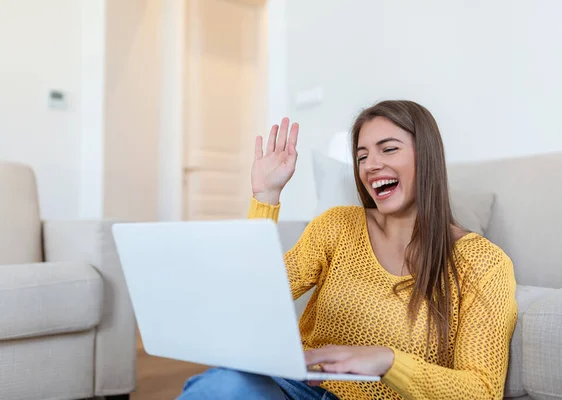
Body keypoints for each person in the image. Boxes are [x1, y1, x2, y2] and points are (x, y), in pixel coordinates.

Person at [177, 100, 518, 400]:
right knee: (222, 387)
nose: (370, 165)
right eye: (362, 156)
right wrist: (266, 196)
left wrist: (388, 361)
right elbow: (251, 296)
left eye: (388, 149)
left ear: (426, 156)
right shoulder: (337, 226)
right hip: (296, 388)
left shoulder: (483, 263)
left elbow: (480, 390)